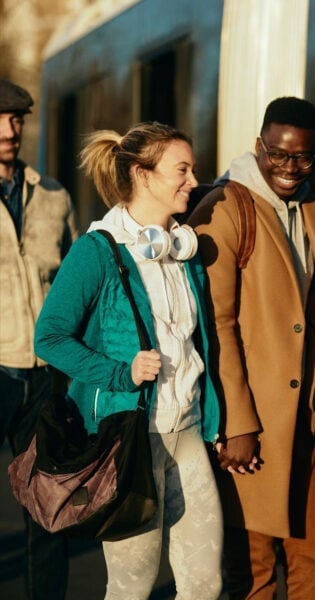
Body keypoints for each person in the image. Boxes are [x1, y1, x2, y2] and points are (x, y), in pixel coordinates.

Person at [34, 122, 224, 599]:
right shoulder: (96, 251)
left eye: (193, 170)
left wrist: (216, 421)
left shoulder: (184, 249)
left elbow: (202, 343)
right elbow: (50, 338)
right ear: (143, 174)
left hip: (188, 432)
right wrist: (121, 372)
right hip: (130, 441)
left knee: (205, 584)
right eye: (181, 169)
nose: (193, 181)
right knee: (132, 588)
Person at [188, 96, 315, 599]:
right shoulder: (224, 207)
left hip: (303, 418)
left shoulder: (302, 202)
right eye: (277, 154)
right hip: (253, 427)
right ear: (258, 145)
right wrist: (238, 423)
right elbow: (215, 324)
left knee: (312, 559)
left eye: (302, 157)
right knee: (253, 569)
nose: (288, 167)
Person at [0, 78, 77, 599]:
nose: (11, 129)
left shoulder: (53, 195)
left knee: (49, 508)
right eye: (1, 119)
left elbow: (75, 280)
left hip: (45, 373)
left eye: (18, 119)